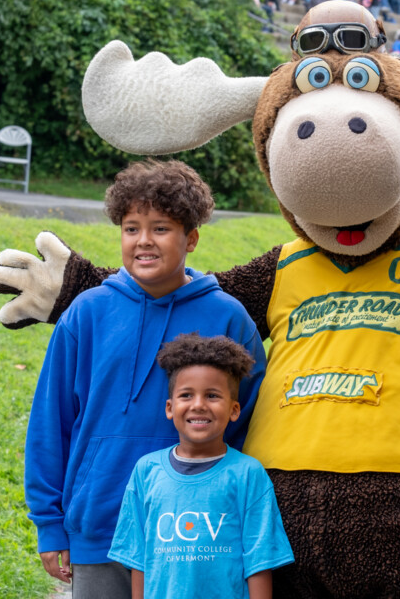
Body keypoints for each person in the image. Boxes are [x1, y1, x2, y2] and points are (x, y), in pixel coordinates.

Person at [24, 159, 267, 598]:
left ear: (191, 238)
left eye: (161, 228)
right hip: (99, 525)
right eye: (132, 228)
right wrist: (50, 523)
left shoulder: (228, 317)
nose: (143, 241)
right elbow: (50, 420)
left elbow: (248, 422)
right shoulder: (86, 313)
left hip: (191, 533)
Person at [108, 334, 294, 599]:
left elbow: (259, 562)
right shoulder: (146, 471)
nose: (198, 405)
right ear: (170, 408)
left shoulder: (247, 474)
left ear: (234, 409)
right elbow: (138, 559)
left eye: (212, 395)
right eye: (186, 395)